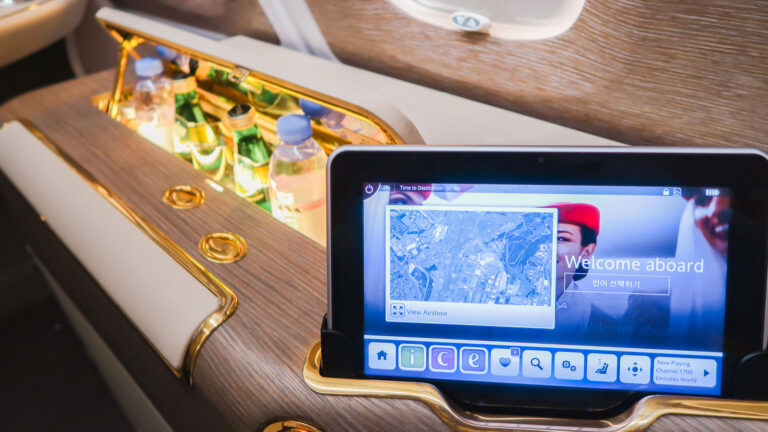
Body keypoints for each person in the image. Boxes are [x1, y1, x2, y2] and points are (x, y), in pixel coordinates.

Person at [540, 203, 615, 332]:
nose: (546, 248)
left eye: (560, 238)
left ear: (586, 252)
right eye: (541, 237)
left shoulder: (606, 325)